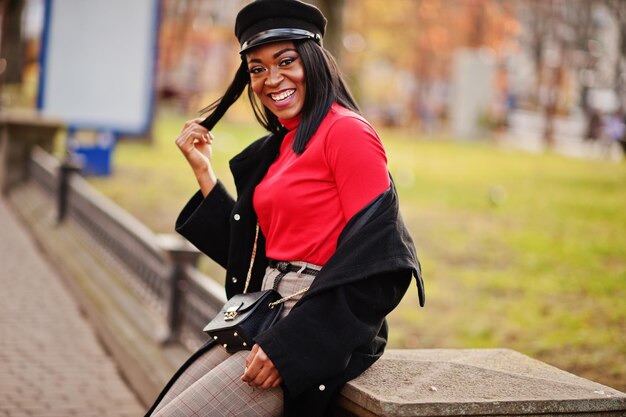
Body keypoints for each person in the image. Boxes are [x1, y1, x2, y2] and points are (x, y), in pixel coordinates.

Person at [145, 1, 424, 416]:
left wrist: (293, 347)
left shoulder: (346, 133)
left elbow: (382, 265)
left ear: (312, 60)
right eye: (256, 68)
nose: (271, 79)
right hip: (262, 312)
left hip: (313, 323)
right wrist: (204, 173)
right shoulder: (279, 147)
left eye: (285, 61)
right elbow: (255, 254)